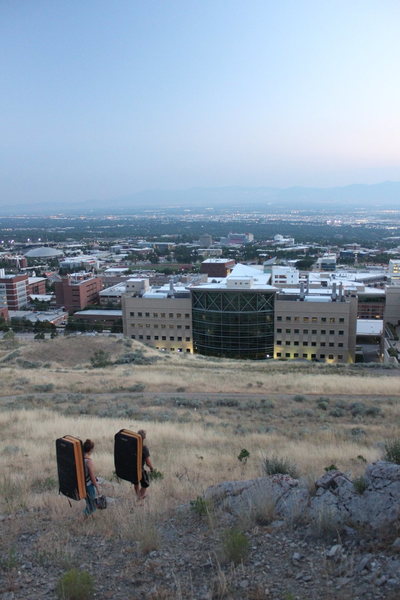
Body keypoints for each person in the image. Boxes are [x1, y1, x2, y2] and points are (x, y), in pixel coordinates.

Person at [134, 429, 154, 500]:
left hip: (131, 468)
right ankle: (139, 497)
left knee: (136, 483)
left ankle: (138, 496)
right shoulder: (144, 448)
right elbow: (148, 462)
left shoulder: (132, 447)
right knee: (145, 483)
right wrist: (152, 468)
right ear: (144, 438)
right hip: (139, 469)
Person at [83, 439, 100, 516]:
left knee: (88, 504)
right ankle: (81, 519)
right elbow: (92, 477)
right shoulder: (89, 461)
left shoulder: (80, 459)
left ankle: (84, 519)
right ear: (90, 450)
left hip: (82, 485)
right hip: (88, 485)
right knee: (93, 506)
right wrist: (97, 486)